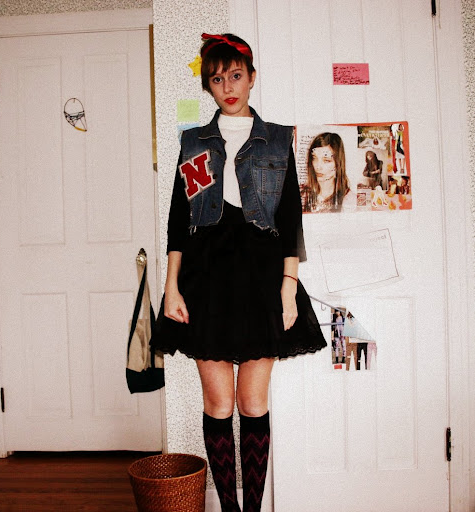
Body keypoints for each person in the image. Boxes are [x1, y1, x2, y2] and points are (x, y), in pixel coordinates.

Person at [153, 33, 326, 512]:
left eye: (235, 75)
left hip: (261, 279)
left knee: (252, 404)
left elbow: (290, 219)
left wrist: (288, 288)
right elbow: (178, 221)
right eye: (216, 79)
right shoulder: (194, 142)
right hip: (205, 280)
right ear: (208, 86)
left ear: (251, 77)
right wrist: (171, 288)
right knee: (218, 405)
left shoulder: (278, 140)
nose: (227, 86)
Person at [301, 132, 353, 212]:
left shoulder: (349, 200)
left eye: (326, 160)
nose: (318, 166)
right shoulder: (301, 194)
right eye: (314, 158)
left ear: (338, 164)